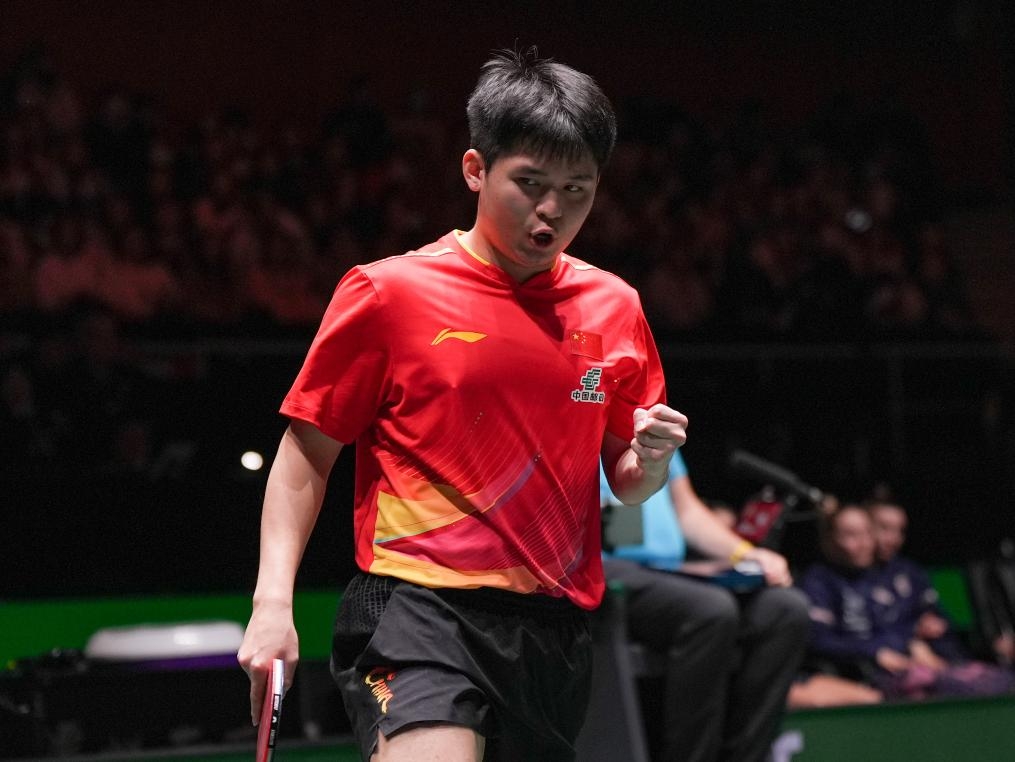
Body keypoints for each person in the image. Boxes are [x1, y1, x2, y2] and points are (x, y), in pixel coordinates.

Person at [237, 48, 688, 762]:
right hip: (418, 607)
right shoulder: (389, 294)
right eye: (529, 184)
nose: (552, 210)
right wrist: (271, 604)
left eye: (576, 189)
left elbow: (627, 481)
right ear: (476, 170)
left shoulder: (614, 306)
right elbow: (306, 454)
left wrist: (651, 461)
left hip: (552, 629)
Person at [600, 451, 809, 762]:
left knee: (784, 610)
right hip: (604, 569)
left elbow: (688, 512)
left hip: (669, 570)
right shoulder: (574, 429)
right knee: (712, 610)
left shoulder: (650, 431)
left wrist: (745, 553)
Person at [799, 503, 1014, 699]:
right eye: (851, 535)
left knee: (998, 681)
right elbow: (818, 640)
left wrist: (923, 641)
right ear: (829, 540)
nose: (864, 543)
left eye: (867, 534)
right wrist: (880, 651)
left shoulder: (896, 573)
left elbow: (923, 624)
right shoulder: (818, 580)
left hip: (923, 665)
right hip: (868, 676)